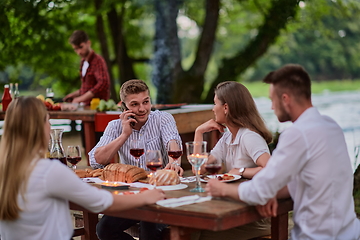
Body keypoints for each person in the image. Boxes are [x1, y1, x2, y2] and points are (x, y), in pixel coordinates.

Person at [206, 64, 360, 239]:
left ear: (285, 99)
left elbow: (261, 188)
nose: (272, 107)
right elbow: (301, 182)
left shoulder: (297, 134)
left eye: (273, 100)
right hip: (349, 231)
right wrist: (271, 191)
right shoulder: (331, 126)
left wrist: (221, 189)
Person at [0, 97, 165, 240]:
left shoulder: (5, 172)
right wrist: (146, 197)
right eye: (47, 121)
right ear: (38, 128)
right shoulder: (48, 172)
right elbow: (102, 202)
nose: (49, 128)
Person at [89, 79, 183, 240]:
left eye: (146, 102)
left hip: (159, 193)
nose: (142, 109)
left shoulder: (163, 119)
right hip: (132, 196)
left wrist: (174, 163)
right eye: (134, 104)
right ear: (124, 107)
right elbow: (96, 161)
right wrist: (124, 134)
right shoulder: (115, 126)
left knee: (148, 225)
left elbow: (172, 142)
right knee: (103, 229)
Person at [191, 81, 273, 240]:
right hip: (236, 209)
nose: (213, 108)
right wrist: (199, 132)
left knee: (196, 233)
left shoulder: (249, 136)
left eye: (215, 103)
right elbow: (198, 169)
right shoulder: (228, 136)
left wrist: (241, 171)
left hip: (255, 217)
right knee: (192, 229)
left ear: (226, 108)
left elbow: (271, 169)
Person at [63, 30, 110, 105]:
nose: (79, 52)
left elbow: (103, 83)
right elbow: (88, 87)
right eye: (76, 49)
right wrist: (75, 94)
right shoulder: (83, 62)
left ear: (88, 43)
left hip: (97, 108)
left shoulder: (98, 60)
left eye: (81, 47)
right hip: (86, 106)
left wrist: (80, 99)